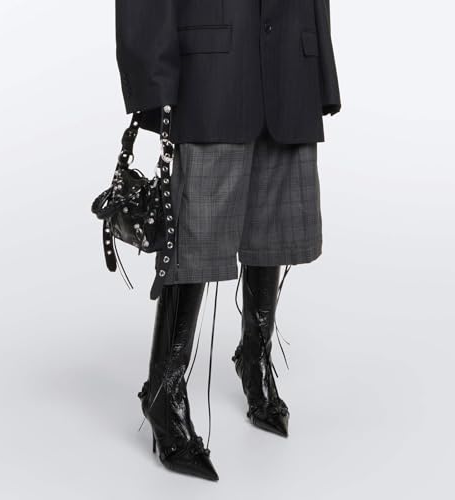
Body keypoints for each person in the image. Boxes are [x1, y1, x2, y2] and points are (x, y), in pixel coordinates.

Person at [115, 0, 341, 481]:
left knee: (275, 225)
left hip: (290, 66)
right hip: (210, 74)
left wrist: (320, 73)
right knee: (196, 234)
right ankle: (164, 390)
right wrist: (154, 84)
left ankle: (254, 359)